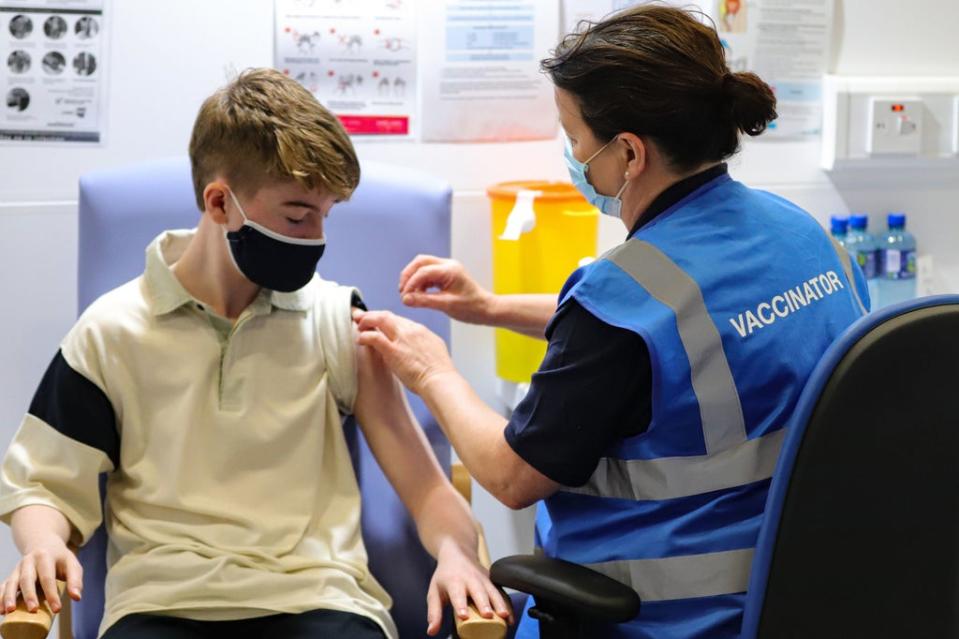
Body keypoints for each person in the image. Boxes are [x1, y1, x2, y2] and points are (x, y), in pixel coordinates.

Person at [353, 6, 869, 638]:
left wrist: (432, 370)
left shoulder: (624, 298)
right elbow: (676, 337)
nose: (572, 157)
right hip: (805, 594)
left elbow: (511, 475)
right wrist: (488, 307)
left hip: (672, 617)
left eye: (573, 138)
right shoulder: (798, 232)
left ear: (628, 153)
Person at [0, 68, 510, 639]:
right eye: (297, 215)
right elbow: (43, 484)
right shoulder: (111, 331)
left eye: (325, 215)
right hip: (163, 604)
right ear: (220, 202)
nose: (317, 237)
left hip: (321, 599)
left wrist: (458, 554)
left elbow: (427, 488)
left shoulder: (336, 322)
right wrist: (42, 544)